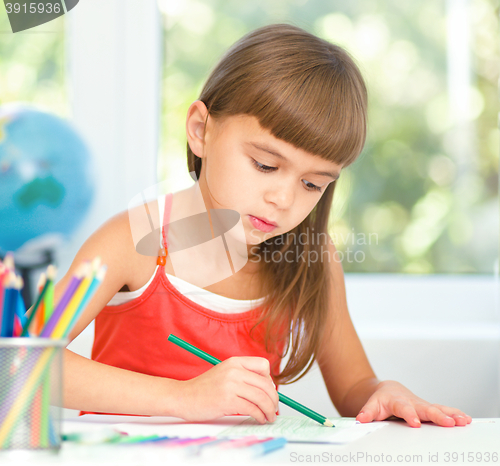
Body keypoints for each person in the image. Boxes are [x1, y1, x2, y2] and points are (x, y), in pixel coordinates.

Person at [58, 23, 471, 428]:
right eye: (265, 165)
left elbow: (354, 389)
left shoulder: (312, 258)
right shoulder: (130, 241)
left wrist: (382, 392)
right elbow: (16, 366)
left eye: (312, 184)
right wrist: (181, 397)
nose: (284, 199)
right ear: (201, 131)